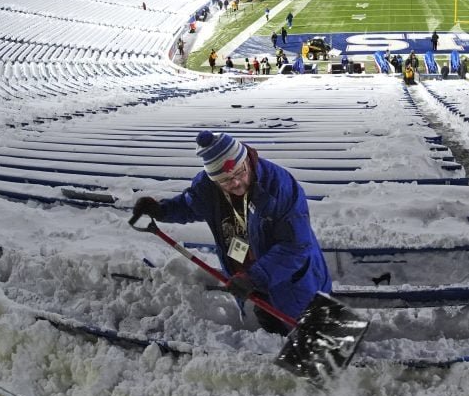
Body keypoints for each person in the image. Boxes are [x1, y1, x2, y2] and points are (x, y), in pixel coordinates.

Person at [131, 131, 331, 335]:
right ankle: (276, 344)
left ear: (246, 160)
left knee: (315, 328)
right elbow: (191, 205)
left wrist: (254, 278)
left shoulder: (278, 187)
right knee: (270, 322)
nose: (235, 183)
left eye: (239, 172)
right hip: (249, 274)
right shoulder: (207, 188)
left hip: (289, 274)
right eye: (225, 180)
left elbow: (295, 247)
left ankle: (338, 357)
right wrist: (161, 210)